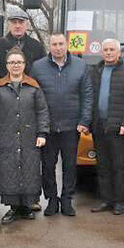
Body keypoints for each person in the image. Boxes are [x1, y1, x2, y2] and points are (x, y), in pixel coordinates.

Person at [0, 7, 46, 210]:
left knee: (29, 159)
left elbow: (39, 75)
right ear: (8, 25)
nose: (17, 25)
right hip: (4, 106)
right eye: (14, 22)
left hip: (28, 107)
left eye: (21, 22)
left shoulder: (36, 47)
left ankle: (32, 197)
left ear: (27, 24)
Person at [30, 33, 93, 217]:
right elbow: (33, 95)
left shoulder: (80, 66)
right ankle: (51, 200)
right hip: (47, 127)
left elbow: (87, 95)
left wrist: (84, 120)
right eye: (54, 44)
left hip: (72, 126)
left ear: (67, 45)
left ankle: (67, 199)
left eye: (61, 44)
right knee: (48, 166)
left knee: (70, 165)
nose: (57, 47)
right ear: (49, 46)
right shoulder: (38, 66)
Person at [89, 38, 124, 215]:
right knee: (102, 166)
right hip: (99, 126)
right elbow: (88, 97)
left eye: (112, 50)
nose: (109, 53)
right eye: (106, 50)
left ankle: (119, 202)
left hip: (118, 128)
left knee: (118, 167)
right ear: (101, 53)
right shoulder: (95, 71)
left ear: (119, 53)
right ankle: (106, 200)